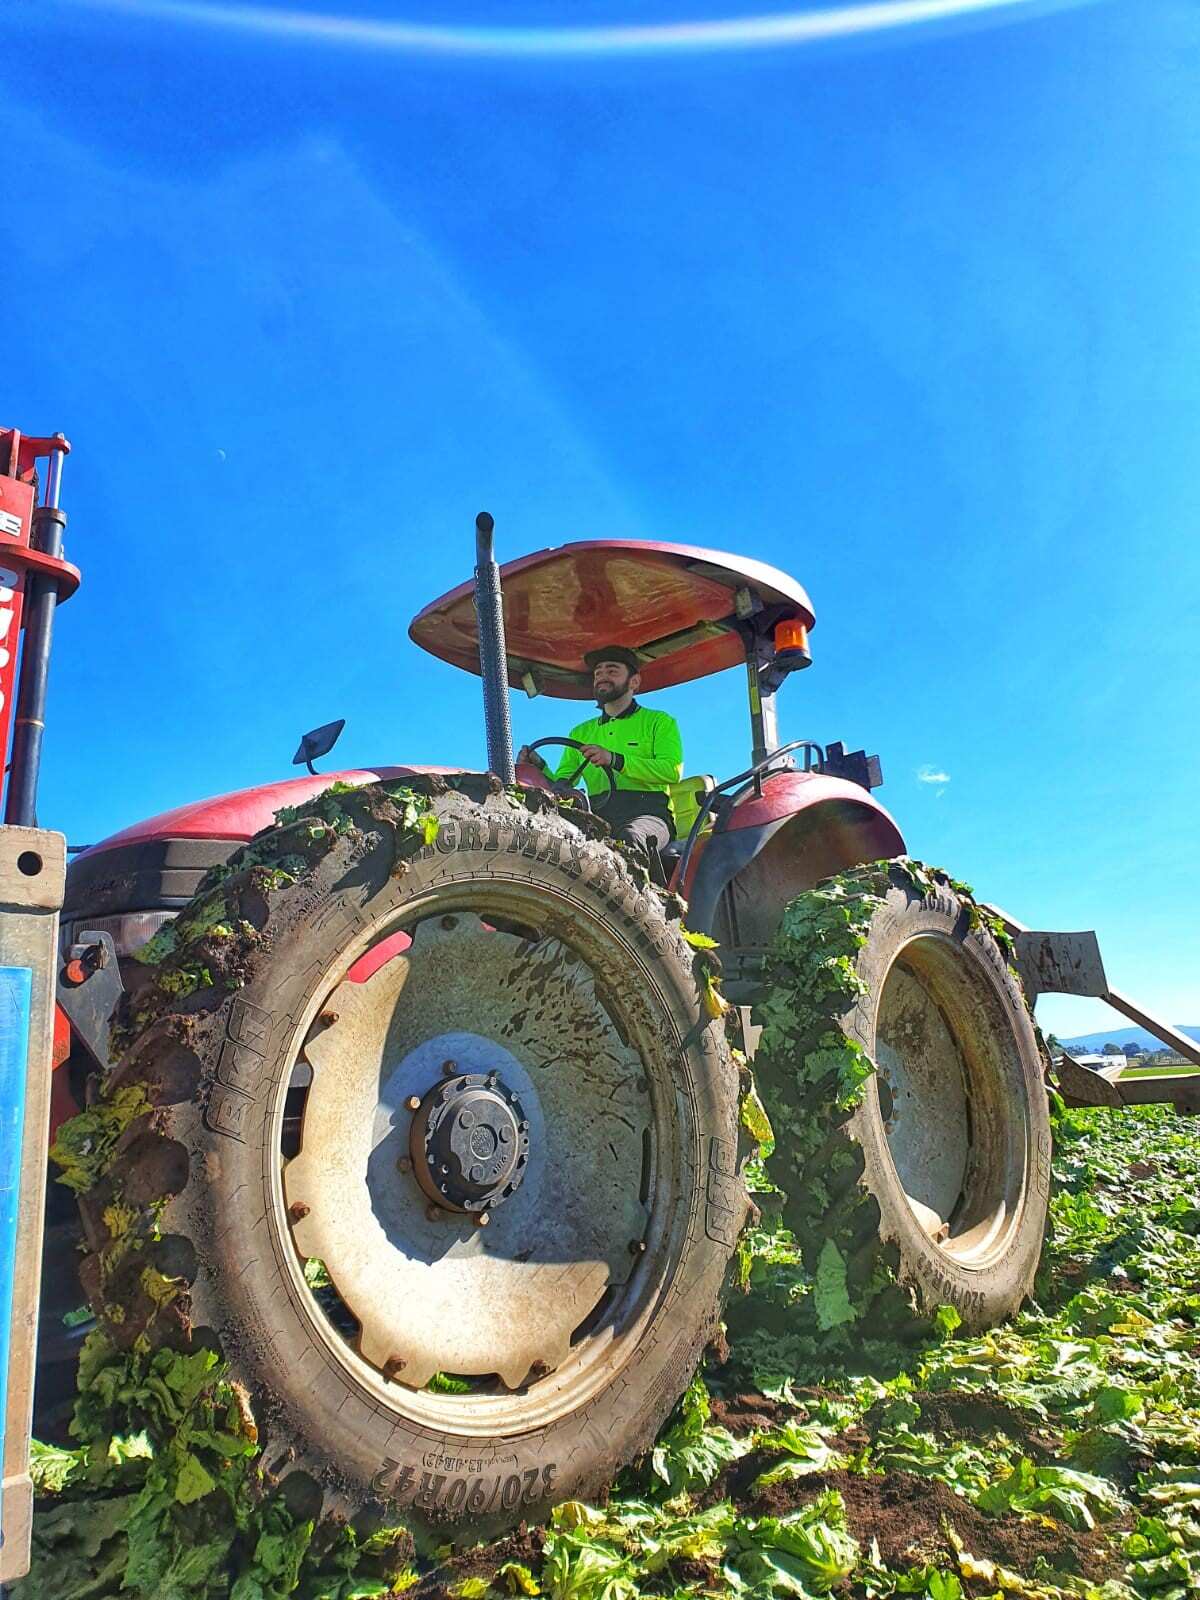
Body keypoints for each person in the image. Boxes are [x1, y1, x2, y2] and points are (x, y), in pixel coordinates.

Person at [518, 646, 683, 852]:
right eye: (598, 673)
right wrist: (539, 766)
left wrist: (614, 760)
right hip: (597, 815)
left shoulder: (659, 722)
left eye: (612, 671)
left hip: (648, 813)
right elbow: (563, 785)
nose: (603, 677)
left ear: (634, 682)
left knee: (630, 838)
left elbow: (671, 771)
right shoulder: (580, 732)